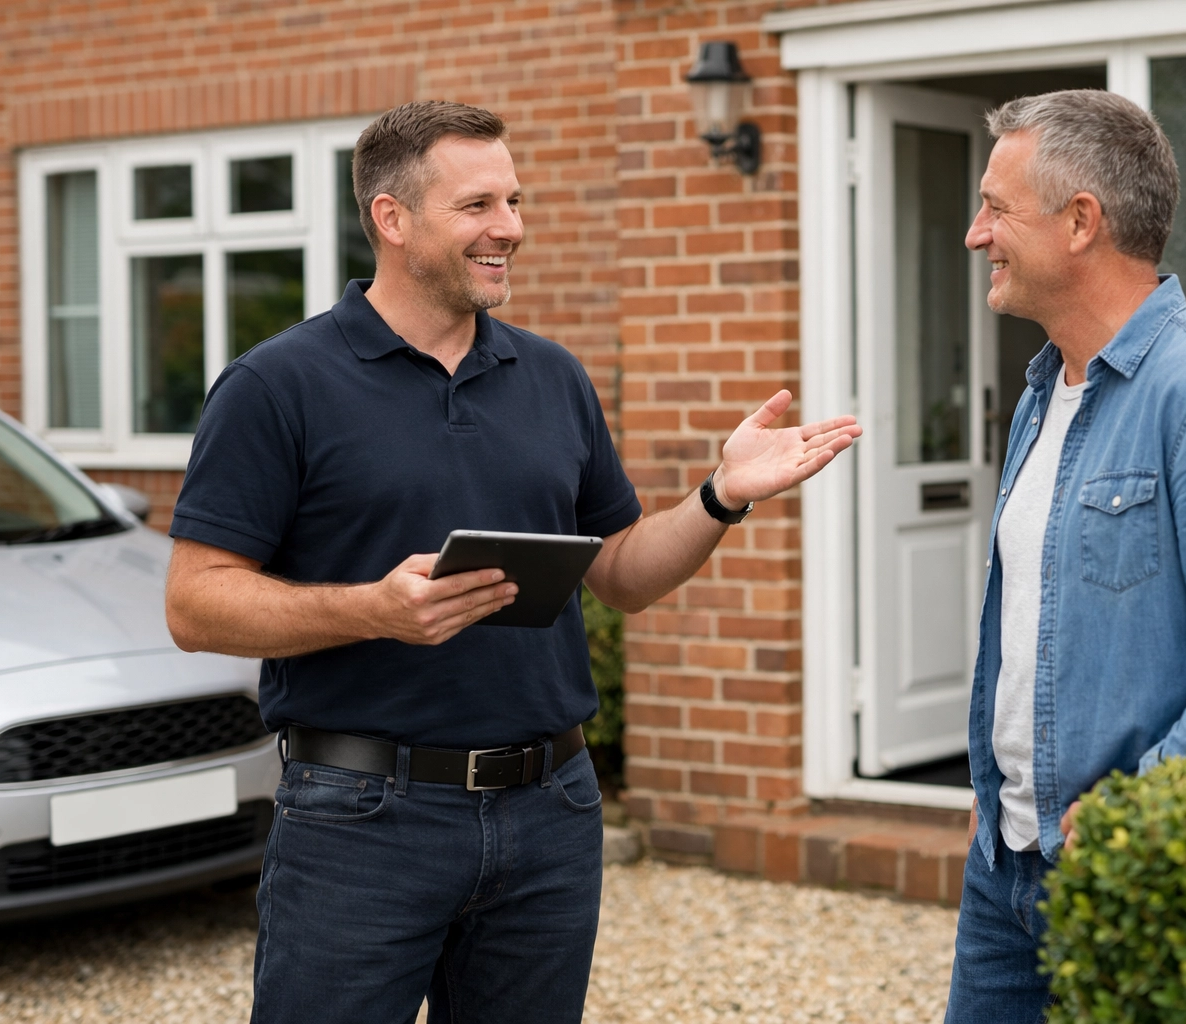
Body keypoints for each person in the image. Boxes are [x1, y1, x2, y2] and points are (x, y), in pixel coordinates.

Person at [163, 100, 861, 1024]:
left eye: (516, 201)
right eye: (479, 205)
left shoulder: (553, 377)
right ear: (392, 218)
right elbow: (195, 605)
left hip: (550, 815)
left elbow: (620, 574)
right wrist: (373, 609)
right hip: (361, 822)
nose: (511, 229)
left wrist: (720, 495)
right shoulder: (277, 386)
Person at [945, 90, 1186, 1023]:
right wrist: (997, 796)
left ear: (1081, 221)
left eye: (996, 208)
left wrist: (1137, 808)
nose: (974, 234)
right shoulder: (1044, 393)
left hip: (1125, 879)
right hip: (1002, 872)